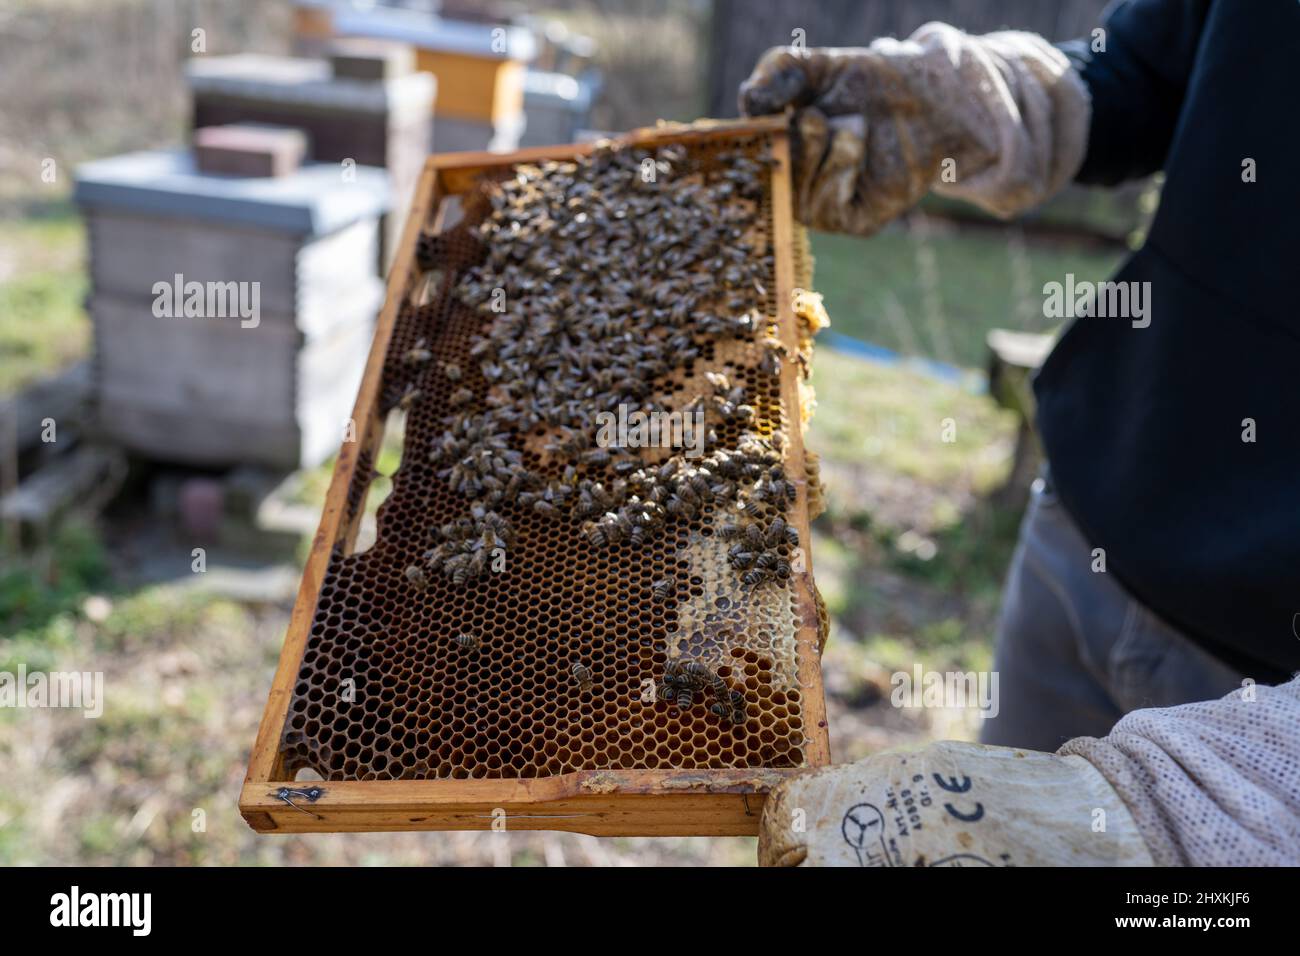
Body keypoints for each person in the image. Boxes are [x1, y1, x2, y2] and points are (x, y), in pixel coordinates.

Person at [738, 0, 1300, 865]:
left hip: (1262, 703)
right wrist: (956, 101)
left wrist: (1245, 800)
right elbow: (1146, 73)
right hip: (1089, 529)